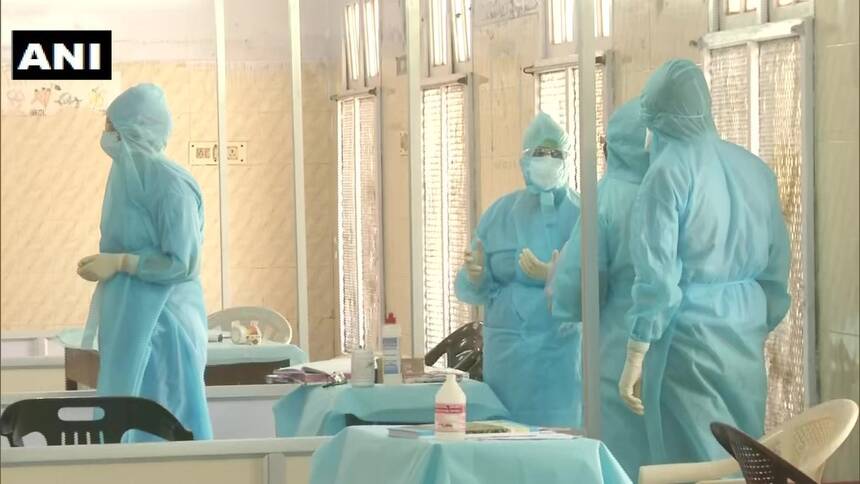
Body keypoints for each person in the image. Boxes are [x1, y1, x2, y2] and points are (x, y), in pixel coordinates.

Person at [617, 59, 791, 464]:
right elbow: (777, 268)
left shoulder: (668, 173)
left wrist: (637, 349)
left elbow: (658, 279)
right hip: (745, 334)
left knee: (694, 458)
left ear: (657, 115)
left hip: (688, 339)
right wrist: (753, 320)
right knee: (743, 453)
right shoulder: (754, 169)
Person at [76, 83, 212, 441]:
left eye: (112, 126)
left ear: (134, 128)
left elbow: (183, 262)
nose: (106, 134)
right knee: (121, 418)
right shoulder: (126, 176)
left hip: (165, 322)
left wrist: (122, 263)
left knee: (165, 420)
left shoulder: (170, 184)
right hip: (128, 317)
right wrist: (108, 262)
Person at [545, 99, 651, 479]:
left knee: (620, 467)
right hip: (686, 360)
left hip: (618, 358)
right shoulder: (684, 187)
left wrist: (555, 277)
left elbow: (577, 289)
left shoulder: (606, 198)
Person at [455, 112, 581, 428]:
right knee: (504, 437)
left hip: (561, 358)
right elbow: (474, 284)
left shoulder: (583, 214)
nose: (547, 159)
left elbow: (598, 286)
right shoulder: (499, 214)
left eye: (555, 153)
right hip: (507, 361)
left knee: (560, 444)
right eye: (540, 152)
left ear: (567, 158)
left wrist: (554, 276)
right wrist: (476, 274)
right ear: (524, 159)